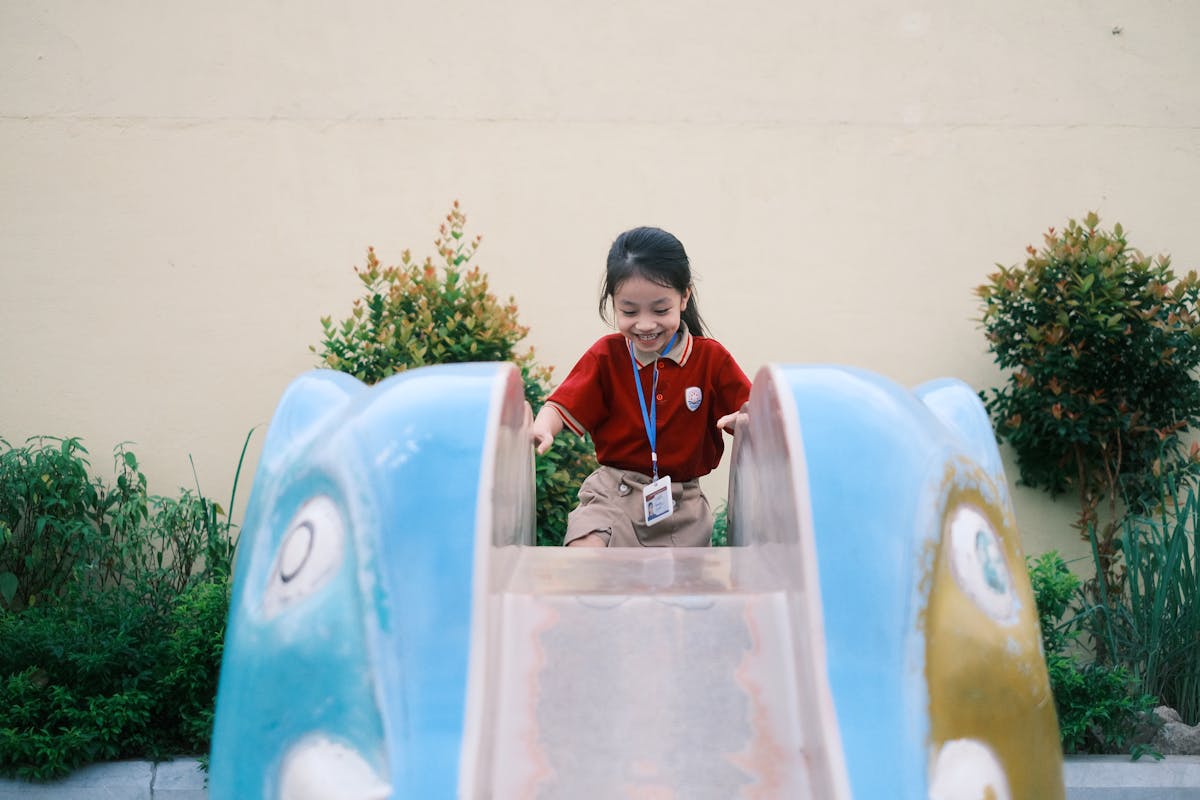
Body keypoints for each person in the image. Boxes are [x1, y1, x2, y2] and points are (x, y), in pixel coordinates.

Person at [530, 226, 751, 547]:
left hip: (681, 507)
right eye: (629, 311)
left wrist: (747, 422)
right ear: (614, 303)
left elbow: (757, 413)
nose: (645, 324)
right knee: (584, 559)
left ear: (684, 296)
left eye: (660, 310)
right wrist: (544, 426)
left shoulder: (710, 359)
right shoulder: (607, 356)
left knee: (668, 595)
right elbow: (561, 407)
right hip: (613, 495)